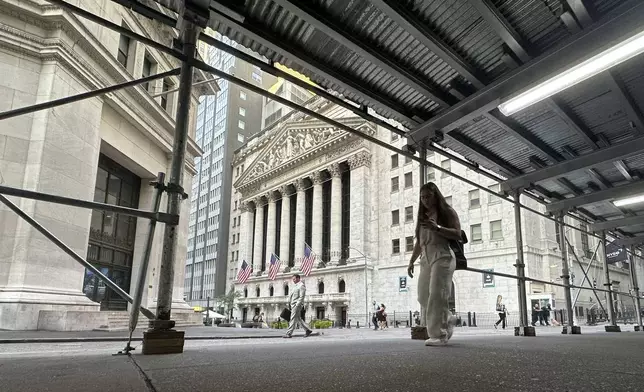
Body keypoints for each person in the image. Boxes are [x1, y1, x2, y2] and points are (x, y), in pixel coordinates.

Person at [408, 182, 461, 346]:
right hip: (426, 256)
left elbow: (457, 233)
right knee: (423, 295)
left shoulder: (447, 212)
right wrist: (411, 261)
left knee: (437, 293)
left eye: (428, 197)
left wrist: (437, 227)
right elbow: (419, 242)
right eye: (422, 197)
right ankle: (448, 318)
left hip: (442, 254)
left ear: (435, 196)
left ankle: (439, 335)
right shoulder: (422, 217)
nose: (425, 200)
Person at [283, 274, 313, 338]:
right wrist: (289, 303)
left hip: (296, 305)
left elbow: (302, 297)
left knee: (292, 318)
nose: (293, 280)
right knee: (299, 319)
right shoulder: (295, 286)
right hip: (292, 304)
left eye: (294, 279)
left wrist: (297, 305)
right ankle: (308, 330)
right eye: (293, 279)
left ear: (298, 278)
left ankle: (289, 333)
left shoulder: (301, 286)